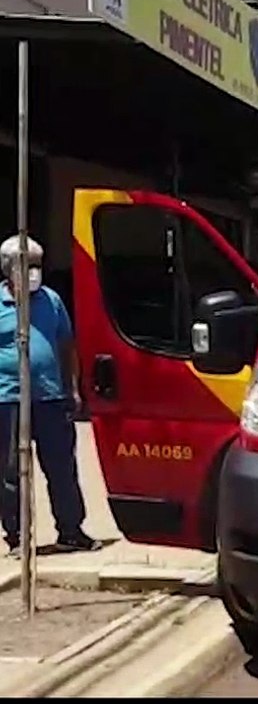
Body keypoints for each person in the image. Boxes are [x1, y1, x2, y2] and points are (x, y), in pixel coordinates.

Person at [0, 235, 100, 557]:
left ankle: (71, 531)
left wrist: (73, 387)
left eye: (36, 264)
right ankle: (17, 537)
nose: (32, 271)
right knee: (11, 471)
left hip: (50, 398)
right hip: (8, 399)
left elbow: (66, 345)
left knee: (61, 467)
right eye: (25, 264)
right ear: (8, 268)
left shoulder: (51, 300)